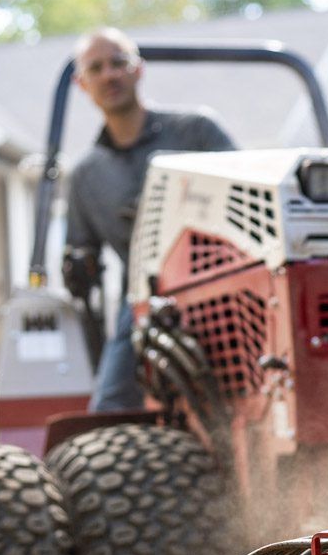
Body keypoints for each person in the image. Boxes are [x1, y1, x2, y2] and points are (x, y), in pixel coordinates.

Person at [63, 27, 236, 411]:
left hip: (224, 283)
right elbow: (81, 253)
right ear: (81, 83)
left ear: (138, 70)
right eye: (97, 68)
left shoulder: (196, 132)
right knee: (110, 407)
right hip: (143, 299)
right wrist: (77, 264)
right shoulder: (86, 176)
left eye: (119, 63)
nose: (110, 74)